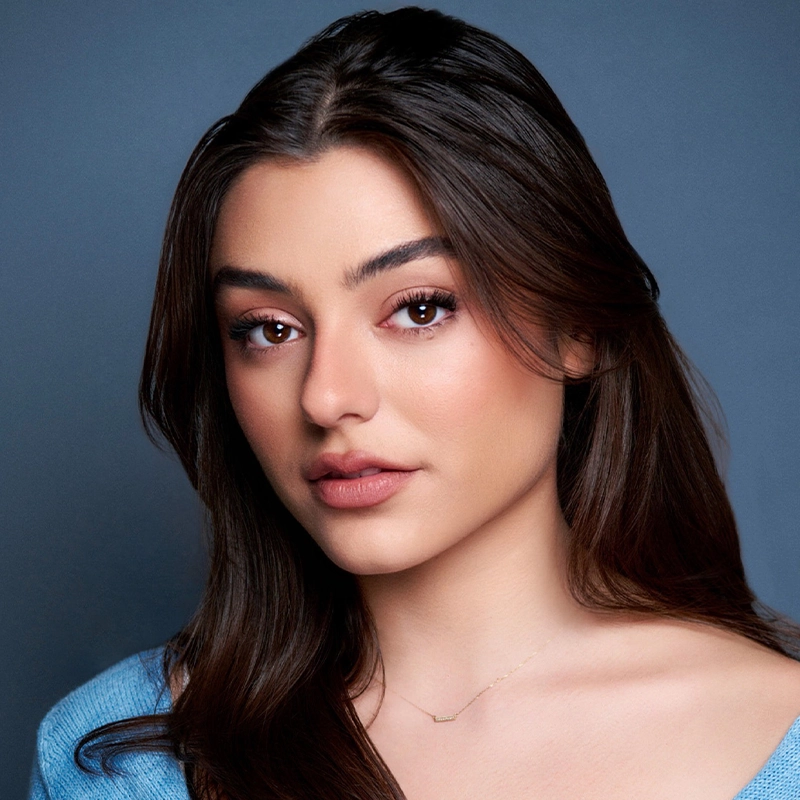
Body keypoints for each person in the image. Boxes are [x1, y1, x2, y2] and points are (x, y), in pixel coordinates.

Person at [29, 7, 800, 800]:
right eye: (269, 328)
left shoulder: (781, 739)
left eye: (420, 308)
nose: (327, 397)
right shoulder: (115, 763)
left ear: (581, 328)